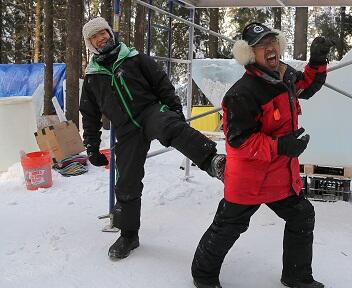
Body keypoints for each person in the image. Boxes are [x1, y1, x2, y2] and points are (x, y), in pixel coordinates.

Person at [191, 22, 334, 288]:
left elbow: (306, 85)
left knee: (302, 215)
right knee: (229, 226)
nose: (270, 48)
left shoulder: (284, 76)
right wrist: (282, 146)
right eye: (261, 46)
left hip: (279, 176)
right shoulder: (242, 94)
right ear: (249, 54)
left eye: (273, 42)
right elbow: (239, 142)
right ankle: (203, 274)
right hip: (249, 179)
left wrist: (317, 61)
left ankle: (296, 276)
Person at [80, 17, 225, 260]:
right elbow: (90, 114)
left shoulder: (134, 58)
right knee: (126, 182)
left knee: (170, 127)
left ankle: (213, 161)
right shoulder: (93, 76)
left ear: (110, 33)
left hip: (150, 111)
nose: (101, 37)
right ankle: (128, 235)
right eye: (95, 36)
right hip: (126, 129)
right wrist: (92, 146)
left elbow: (162, 83)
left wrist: (175, 110)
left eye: (103, 32)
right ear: (90, 43)